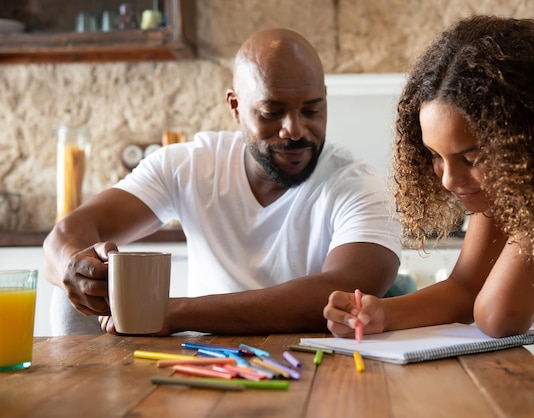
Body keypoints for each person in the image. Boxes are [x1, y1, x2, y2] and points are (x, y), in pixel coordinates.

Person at [43, 28, 401, 336]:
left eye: (312, 110)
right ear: (235, 107)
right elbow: (68, 233)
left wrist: (174, 312)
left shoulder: (360, 185)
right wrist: (75, 267)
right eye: (271, 112)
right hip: (203, 363)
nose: (294, 130)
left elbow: (339, 293)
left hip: (315, 372)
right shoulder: (189, 164)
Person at [324, 15, 534, 339]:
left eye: (471, 158)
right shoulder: (507, 184)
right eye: (436, 156)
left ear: (530, 139)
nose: (449, 180)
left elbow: (498, 316)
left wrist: (506, 297)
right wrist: (378, 313)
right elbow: (466, 288)